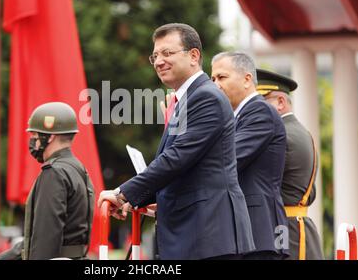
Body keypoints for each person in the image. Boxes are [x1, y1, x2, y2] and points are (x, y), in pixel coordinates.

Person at [98, 23, 255, 260]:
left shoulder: (205, 97)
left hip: (210, 236)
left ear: (194, 56)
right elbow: (183, 167)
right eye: (155, 56)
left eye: (167, 53)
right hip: (198, 235)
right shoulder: (188, 99)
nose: (159, 61)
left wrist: (122, 194)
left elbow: (177, 158)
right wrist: (139, 199)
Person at [211, 52, 288, 260]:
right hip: (248, 232)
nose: (215, 85)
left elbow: (224, 161)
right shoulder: (237, 117)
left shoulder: (259, 112)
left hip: (261, 230)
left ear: (247, 79)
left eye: (222, 77)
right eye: (213, 79)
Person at [256, 68, 324, 260]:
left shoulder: (282, 135)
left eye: (261, 101)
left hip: (286, 231)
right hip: (294, 227)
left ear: (280, 102)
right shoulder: (298, 132)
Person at [22, 102, 94, 260]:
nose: (33, 142)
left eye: (34, 136)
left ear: (50, 136)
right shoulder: (77, 168)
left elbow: (44, 239)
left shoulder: (54, 173)